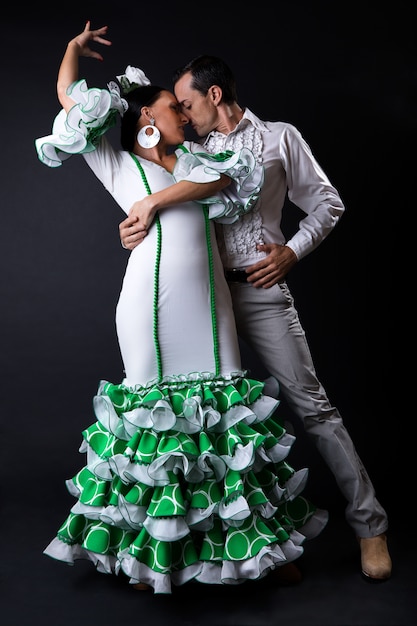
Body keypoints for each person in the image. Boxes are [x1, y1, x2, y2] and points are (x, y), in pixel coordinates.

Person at [35, 22, 329, 594]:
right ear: (148, 120)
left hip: (212, 306)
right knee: (160, 430)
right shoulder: (116, 161)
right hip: (150, 307)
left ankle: (259, 551)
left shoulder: (198, 161)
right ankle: (156, 559)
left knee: (225, 427)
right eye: (172, 106)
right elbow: (71, 102)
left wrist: (154, 202)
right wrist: (71, 53)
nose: (184, 113)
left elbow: (224, 180)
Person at [119, 54, 392, 582]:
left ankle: (370, 524)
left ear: (215, 96)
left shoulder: (279, 139)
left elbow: (328, 203)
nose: (182, 111)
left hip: (260, 293)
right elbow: (142, 177)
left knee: (313, 408)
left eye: (189, 103)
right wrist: (132, 226)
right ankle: (237, 550)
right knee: (206, 424)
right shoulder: (184, 148)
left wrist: (290, 251)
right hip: (199, 299)